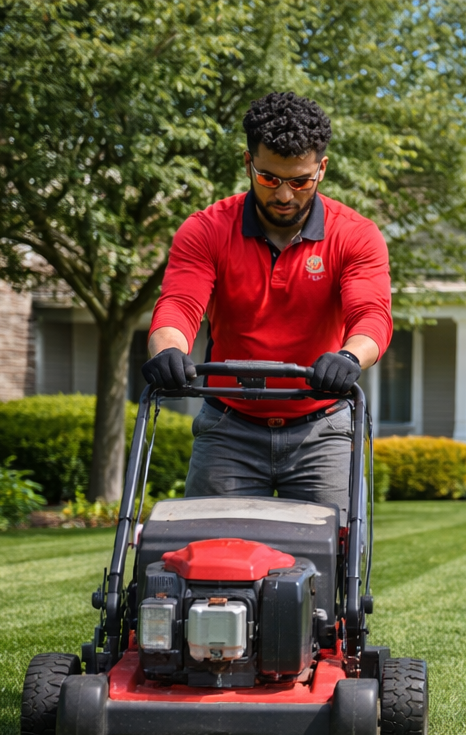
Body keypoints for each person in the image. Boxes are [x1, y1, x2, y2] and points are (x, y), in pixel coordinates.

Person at [142, 91, 392, 516]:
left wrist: (350, 356)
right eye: (269, 178)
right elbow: (180, 305)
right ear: (248, 164)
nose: (284, 195)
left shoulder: (355, 235)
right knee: (206, 560)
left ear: (322, 170)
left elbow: (371, 315)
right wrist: (168, 350)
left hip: (322, 428)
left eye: (300, 181)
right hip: (229, 427)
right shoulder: (205, 230)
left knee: (330, 555)